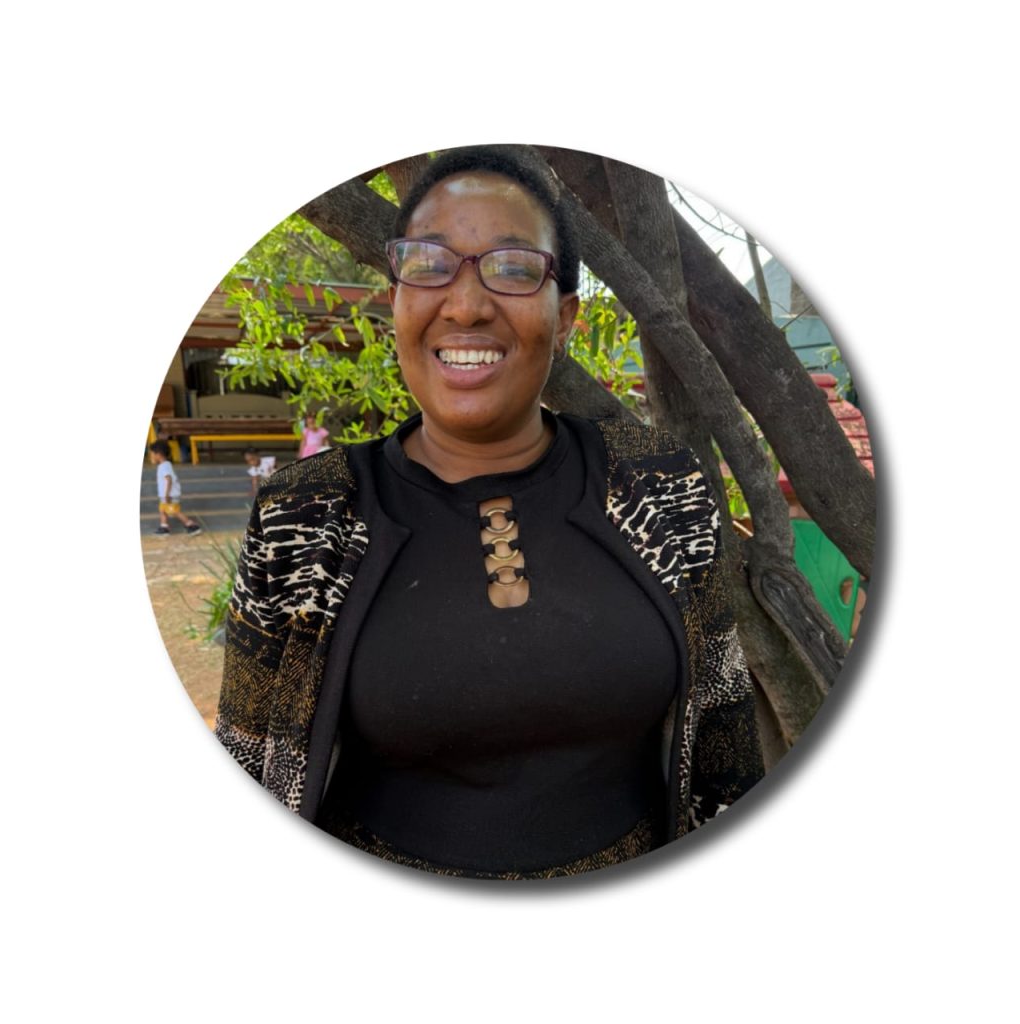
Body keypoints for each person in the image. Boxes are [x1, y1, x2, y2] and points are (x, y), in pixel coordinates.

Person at [216, 146, 764, 879]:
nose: (467, 305)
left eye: (511, 268)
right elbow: (249, 768)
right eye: (430, 264)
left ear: (564, 315)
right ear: (395, 303)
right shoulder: (306, 515)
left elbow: (725, 749)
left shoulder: (661, 483)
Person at [149, 441, 201, 536]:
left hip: (170, 494)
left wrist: (167, 494)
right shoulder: (164, 465)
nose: (151, 457)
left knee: (174, 511)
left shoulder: (164, 466)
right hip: (166, 495)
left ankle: (191, 525)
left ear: (159, 454)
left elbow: (169, 479)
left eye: (152, 454)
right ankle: (164, 527)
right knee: (162, 509)